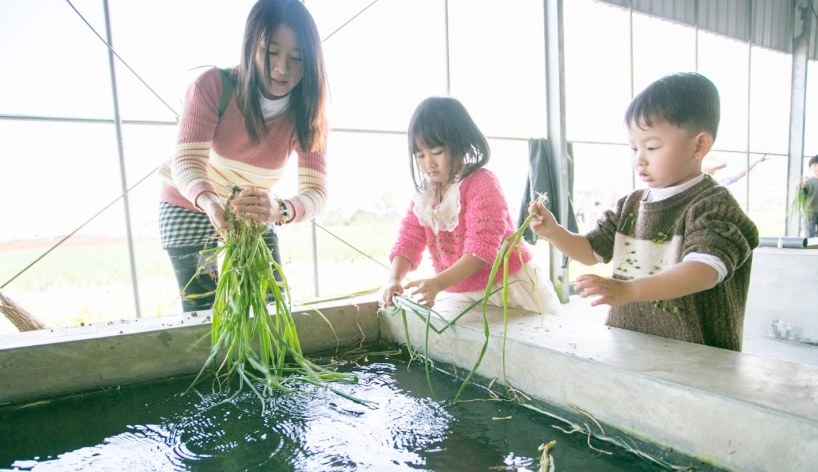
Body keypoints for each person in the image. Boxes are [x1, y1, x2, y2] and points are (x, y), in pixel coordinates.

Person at [528, 72, 759, 351]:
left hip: (696, 357)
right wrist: (555, 232)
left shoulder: (712, 207)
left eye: (651, 147)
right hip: (630, 344)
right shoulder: (630, 204)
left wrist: (629, 290)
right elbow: (590, 252)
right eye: (634, 147)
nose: (639, 159)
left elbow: (705, 270)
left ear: (699, 146)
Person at [158, 0, 328, 312]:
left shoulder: (307, 113)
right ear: (251, 46)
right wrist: (210, 203)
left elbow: (316, 193)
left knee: (270, 306)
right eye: (271, 51)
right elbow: (187, 162)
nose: (282, 68)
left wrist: (281, 209)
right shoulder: (213, 86)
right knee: (203, 309)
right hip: (190, 201)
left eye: (297, 57)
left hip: (253, 209)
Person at [381, 97, 561, 315]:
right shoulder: (426, 195)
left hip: (505, 288)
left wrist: (437, 283)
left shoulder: (481, 183)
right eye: (420, 155)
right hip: (459, 290)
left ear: (462, 144)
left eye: (437, 152)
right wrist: (394, 278)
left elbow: (481, 249)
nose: (428, 163)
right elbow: (409, 238)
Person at [702, 154, 769, 186]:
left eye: (713, 169)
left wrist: (756, 161)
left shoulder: (719, 184)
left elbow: (740, 174)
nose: (710, 172)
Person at [797, 155, 818, 237]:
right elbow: (801, 196)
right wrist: (799, 187)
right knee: (809, 236)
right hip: (809, 212)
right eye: (815, 166)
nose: (817, 168)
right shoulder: (807, 182)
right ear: (810, 168)